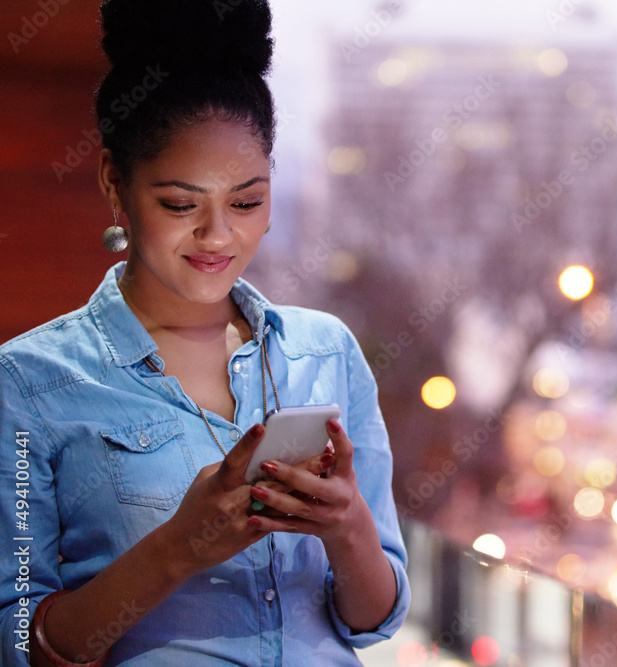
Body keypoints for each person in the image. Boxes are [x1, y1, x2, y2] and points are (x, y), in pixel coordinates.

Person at [0, 0, 410, 664]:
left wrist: (347, 525)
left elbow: (373, 618)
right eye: (180, 204)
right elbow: (20, 643)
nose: (219, 236)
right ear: (114, 182)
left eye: (247, 201)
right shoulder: (28, 384)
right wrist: (177, 549)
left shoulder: (324, 351)